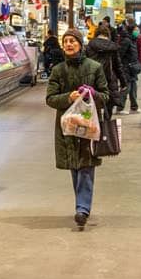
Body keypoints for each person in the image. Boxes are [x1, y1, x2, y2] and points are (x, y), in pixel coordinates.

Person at [45, 28, 109, 230]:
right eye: (66, 41)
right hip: (67, 126)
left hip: (89, 125)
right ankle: (81, 205)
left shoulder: (95, 67)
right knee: (75, 166)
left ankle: (82, 209)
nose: (69, 44)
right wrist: (68, 98)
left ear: (81, 44)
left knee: (86, 167)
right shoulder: (58, 70)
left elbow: (106, 95)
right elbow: (50, 99)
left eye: (73, 41)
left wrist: (92, 95)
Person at [86, 24, 129, 119]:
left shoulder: (89, 46)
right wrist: (123, 82)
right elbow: (118, 67)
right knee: (108, 108)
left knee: (93, 107)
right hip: (110, 81)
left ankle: (96, 128)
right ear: (108, 35)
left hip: (93, 81)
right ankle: (106, 128)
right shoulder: (113, 47)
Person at [118, 20, 141, 114]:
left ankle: (134, 107)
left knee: (133, 88)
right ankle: (120, 108)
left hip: (133, 68)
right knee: (126, 87)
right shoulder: (127, 40)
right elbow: (120, 54)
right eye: (136, 30)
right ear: (131, 30)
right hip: (127, 67)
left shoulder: (133, 40)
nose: (138, 32)